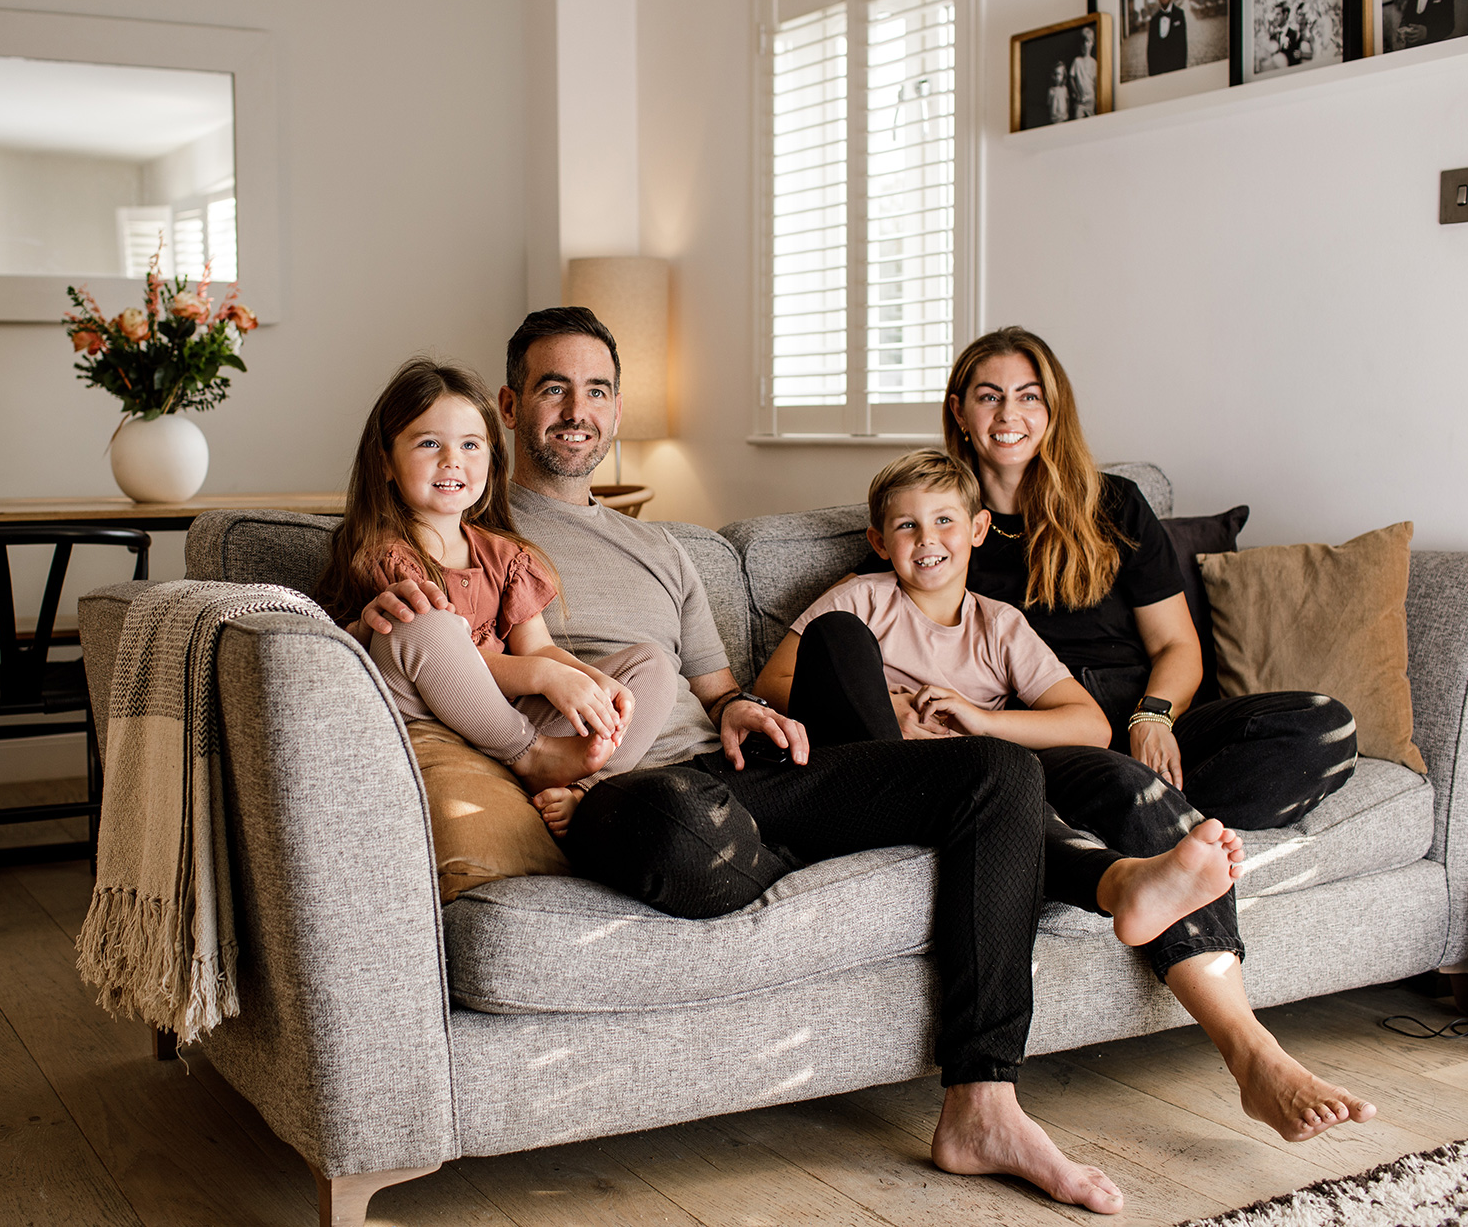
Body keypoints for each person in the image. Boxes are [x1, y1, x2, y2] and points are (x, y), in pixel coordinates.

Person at [357, 309, 1259, 1214]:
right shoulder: (469, 527)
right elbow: (419, 655)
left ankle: (982, 1100)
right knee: (683, 828)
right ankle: (1046, 876)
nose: (576, 410)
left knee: (997, 770)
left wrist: (745, 705)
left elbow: (719, 689)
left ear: (617, 407)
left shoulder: (662, 547)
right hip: (620, 788)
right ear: (510, 406)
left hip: (743, 777)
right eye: (553, 388)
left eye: (596, 389)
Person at [940, 325, 1377, 1142]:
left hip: (1147, 716)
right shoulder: (947, 525)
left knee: (1325, 729)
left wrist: (1155, 715)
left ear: (1053, 407)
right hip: (1051, 735)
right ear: (960, 411)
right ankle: (1251, 1053)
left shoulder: (1114, 505)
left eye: (1028, 395)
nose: (1010, 413)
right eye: (989, 395)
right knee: (1129, 790)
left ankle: (1155, 825)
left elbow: (1177, 647)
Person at [754, 448, 1245, 951]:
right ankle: (1123, 884)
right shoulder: (859, 599)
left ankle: (1129, 884)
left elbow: (1091, 727)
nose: (927, 540)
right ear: (879, 542)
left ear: (978, 529)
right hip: (874, 777)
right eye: (907, 526)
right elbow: (772, 685)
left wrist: (983, 720)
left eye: (945, 520)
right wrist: (886, 707)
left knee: (1023, 802)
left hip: (968, 783)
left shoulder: (1001, 625)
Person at [317, 357, 681, 824]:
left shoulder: (506, 556)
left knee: (653, 665)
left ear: (492, 458)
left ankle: (584, 788)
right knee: (421, 621)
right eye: (430, 443)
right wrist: (545, 679)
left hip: (510, 713)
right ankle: (532, 756)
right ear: (385, 461)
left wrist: (588, 681)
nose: (452, 460)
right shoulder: (384, 554)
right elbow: (463, 659)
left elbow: (540, 650)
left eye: (471, 445)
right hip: (435, 713)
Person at [1145, 0, 1188, 75]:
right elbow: (1150, 52)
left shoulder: (1179, 15)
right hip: (1159, 71)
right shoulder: (1154, 21)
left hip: (1176, 70)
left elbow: (1183, 48)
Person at [1068, 26, 1099, 118]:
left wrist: (1097, 98)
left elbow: (1096, 81)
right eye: (1084, 42)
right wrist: (1076, 92)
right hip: (1080, 100)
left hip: (1091, 99)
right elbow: (1071, 77)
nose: (1086, 45)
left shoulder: (1094, 63)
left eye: (1088, 41)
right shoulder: (1077, 61)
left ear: (1092, 43)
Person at [1046, 61, 1070, 126]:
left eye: (1059, 74)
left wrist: (1066, 115)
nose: (1057, 77)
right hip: (1054, 119)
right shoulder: (1051, 90)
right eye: (1055, 74)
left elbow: (1067, 102)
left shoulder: (1064, 89)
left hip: (1063, 118)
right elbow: (1049, 105)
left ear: (1063, 76)